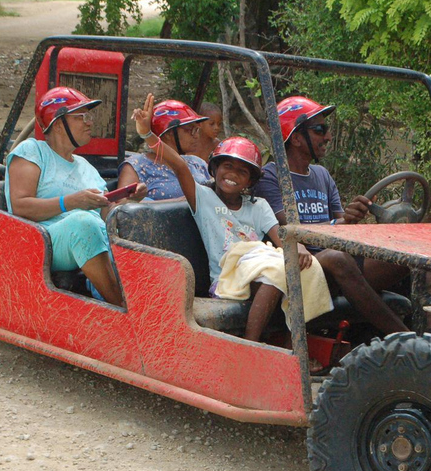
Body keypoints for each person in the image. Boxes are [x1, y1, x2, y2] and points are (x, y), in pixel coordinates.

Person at [132, 93, 313, 342]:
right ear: (215, 169)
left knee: (298, 270)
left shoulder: (258, 206)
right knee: (274, 276)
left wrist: (299, 246)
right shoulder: (204, 198)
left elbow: (280, 239)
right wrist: (147, 134)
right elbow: (180, 166)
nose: (232, 175)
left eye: (242, 171)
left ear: (250, 181)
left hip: (257, 271)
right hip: (227, 278)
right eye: (227, 167)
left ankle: (297, 344)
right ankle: (250, 344)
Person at [254, 96, 410, 335]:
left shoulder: (322, 175)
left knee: (413, 249)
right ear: (296, 138)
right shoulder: (271, 176)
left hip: (341, 265)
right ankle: (404, 338)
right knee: (337, 257)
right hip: (305, 265)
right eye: (320, 130)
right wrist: (340, 222)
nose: (327, 137)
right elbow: (291, 230)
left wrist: (352, 217)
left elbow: (341, 224)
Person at [5, 86, 144, 306]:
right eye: (82, 116)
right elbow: (20, 206)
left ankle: (146, 302)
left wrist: (128, 201)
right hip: (41, 240)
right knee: (84, 223)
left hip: (90, 237)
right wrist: (70, 202)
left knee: (139, 221)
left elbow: (107, 211)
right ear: (58, 123)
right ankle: (125, 309)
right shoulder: (32, 151)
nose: (90, 122)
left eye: (89, 116)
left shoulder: (85, 166)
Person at [117, 100, 211, 200]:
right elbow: (120, 208)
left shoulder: (198, 163)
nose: (196, 136)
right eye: (191, 130)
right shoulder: (137, 166)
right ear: (169, 133)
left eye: (197, 130)